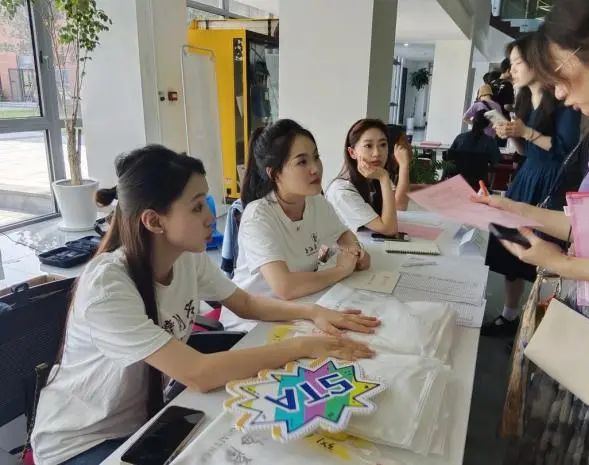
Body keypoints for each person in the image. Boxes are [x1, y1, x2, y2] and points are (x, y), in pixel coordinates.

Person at [31, 146, 378, 465]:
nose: (212, 217)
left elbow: (245, 303)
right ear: (154, 221)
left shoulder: (185, 257)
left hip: (146, 421)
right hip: (83, 442)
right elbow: (198, 373)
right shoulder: (108, 286)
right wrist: (302, 346)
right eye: (197, 207)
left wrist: (313, 312)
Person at [476, 0, 589, 461]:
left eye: (559, 74)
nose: (558, 92)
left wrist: (561, 264)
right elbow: (588, 226)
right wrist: (512, 207)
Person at [482, 35, 582, 337]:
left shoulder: (563, 103)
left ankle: (539, 326)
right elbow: (526, 151)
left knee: (542, 254)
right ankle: (509, 315)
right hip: (528, 175)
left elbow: (565, 151)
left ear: (538, 62)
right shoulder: (524, 99)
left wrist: (526, 131)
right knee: (511, 249)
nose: (511, 70)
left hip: (551, 181)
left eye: (517, 63)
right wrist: (513, 134)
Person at [226, 119, 370, 327]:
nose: (315, 168)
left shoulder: (315, 201)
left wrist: (355, 252)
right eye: (302, 162)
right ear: (274, 173)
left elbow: (343, 234)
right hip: (254, 323)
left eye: (316, 157)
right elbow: (285, 287)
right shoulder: (258, 216)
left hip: (302, 307)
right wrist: (341, 270)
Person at [325, 118, 411, 235]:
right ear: (352, 152)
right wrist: (384, 178)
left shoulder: (375, 175)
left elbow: (400, 206)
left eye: (383, 145)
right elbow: (389, 229)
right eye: (368, 146)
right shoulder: (342, 191)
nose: (377, 153)